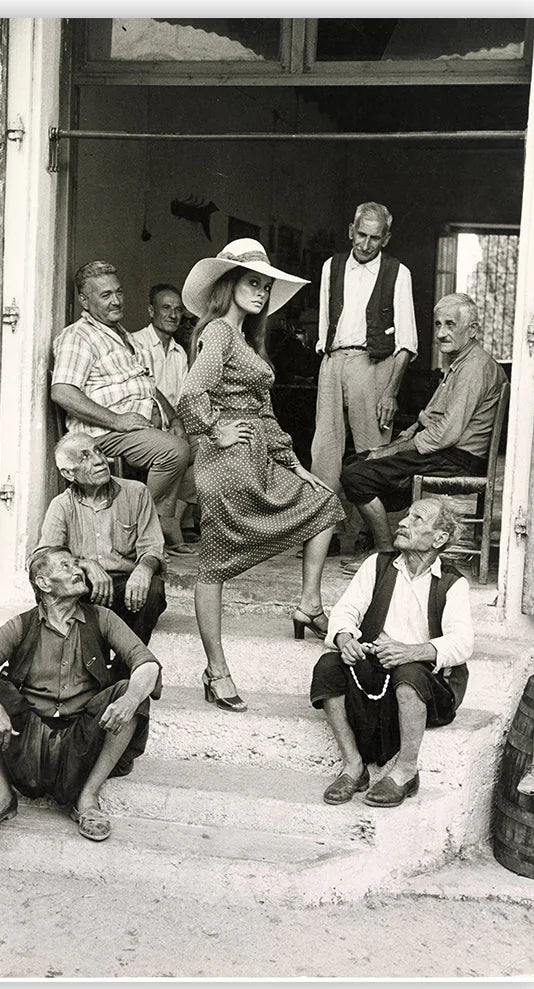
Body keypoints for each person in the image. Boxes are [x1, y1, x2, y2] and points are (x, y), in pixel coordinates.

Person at [176, 238, 346, 713]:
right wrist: (216, 429)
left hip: (256, 458)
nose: (261, 293)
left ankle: (309, 604)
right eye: (253, 283)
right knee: (214, 564)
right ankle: (217, 670)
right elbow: (191, 394)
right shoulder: (218, 333)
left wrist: (295, 466)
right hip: (225, 464)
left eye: (266, 287)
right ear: (228, 284)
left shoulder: (247, 340)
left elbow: (265, 414)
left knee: (325, 503)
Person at [0, 546, 162, 843]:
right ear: (44, 583)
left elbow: (147, 664)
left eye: (76, 565)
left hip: (82, 740)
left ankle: (87, 798)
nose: (78, 570)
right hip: (26, 741)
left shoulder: (103, 618)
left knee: (131, 691)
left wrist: (130, 699)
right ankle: (0, 794)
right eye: (65, 566)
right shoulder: (22, 625)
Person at [310, 498, 473, 807]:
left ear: (439, 538)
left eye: (416, 519)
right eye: (406, 515)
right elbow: (346, 610)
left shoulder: (453, 583)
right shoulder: (378, 564)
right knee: (328, 666)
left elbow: (462, 642)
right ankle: (353, 766)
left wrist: (411, 652)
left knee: (409, 674)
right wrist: (345, 638)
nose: (402, 522)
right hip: (377, 672)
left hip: (424, 683)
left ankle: (406, 772)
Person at [340, 292, 507, 576]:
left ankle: (385, 555)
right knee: (359, 463)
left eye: (450, 325)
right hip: (448, 453)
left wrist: (391, 450)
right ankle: (380, 545)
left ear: (472, 330)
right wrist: (397, 443)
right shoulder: (461, 363)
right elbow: (431, 420)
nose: (441, 333)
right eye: (438, 324)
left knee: (356, 475)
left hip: (457, 458)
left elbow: (445, 435)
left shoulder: (474, 368)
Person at [51, 260, 195, 553]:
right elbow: (62, 391)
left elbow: (149, 386)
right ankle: (133, 531)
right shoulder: (79, 336)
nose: (116, 300)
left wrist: (174, 419)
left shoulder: (123, 336)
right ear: (84, 301)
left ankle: (163, 521)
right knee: (173, 451)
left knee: (203, 449)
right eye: (105, 295)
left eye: (118, 292)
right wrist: (116, 420)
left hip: (139, 429)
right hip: (104, 433)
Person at [310, 202, 419, 503]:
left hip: (373, 364)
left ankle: (368, 527)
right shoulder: (331, 267)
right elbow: (324, 325)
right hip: (333, 361)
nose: (366, 244)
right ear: (351, 231)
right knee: (324, 450)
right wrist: (328, 359)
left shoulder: (398, 273)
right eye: (361, 235)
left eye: (375, 238)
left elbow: (407, 343)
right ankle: (326, 524)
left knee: (372, 451)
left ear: (386, 238)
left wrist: (390, 393)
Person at [34, 432, 167, 651]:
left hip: (127, 589)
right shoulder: (62, 505)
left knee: (153, 588)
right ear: (68, 473)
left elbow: (152, 547)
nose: (99, 460)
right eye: (85, 457)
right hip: (85, 589)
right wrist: (85, 564)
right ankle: (83, 658)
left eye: (98, 451)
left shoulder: (136, 493)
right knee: (51, 582)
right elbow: (43, 557)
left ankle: (127, 664)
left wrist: (144, 568)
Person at [130, 283, 200, 540]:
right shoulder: (135, 343)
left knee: (212, 449)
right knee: (178, 448)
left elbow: (184, 398)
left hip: (173, 426)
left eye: (178, 310)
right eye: (166, 308)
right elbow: (147, 388)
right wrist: (175, 421)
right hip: (145, 427)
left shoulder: (179, 352)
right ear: (151, 311)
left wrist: (186, 424)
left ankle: (172, 519)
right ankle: (149, 525)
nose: (173, 315)